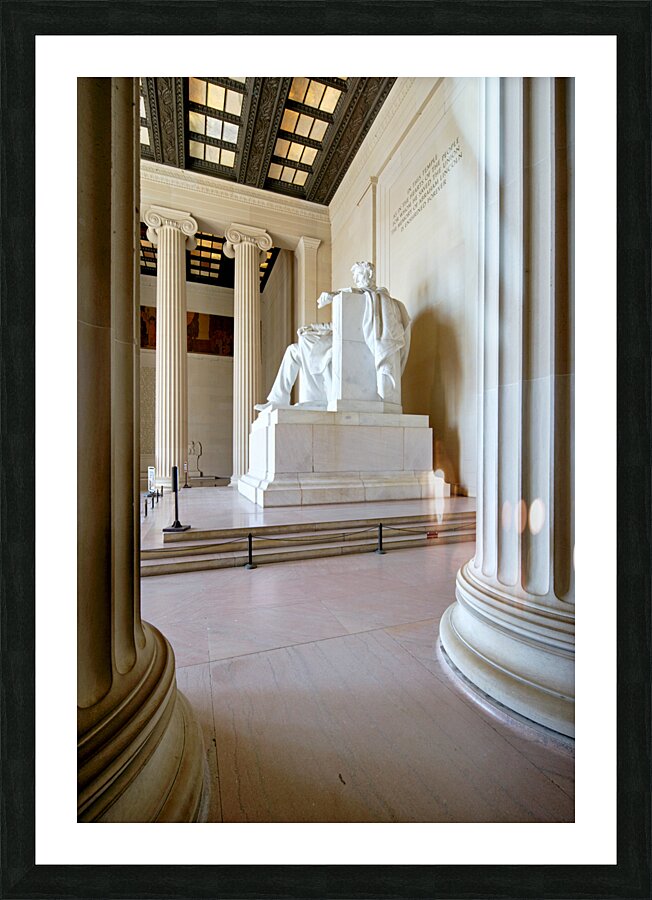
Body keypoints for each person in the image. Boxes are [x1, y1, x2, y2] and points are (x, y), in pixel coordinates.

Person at [256, 261, 410, 411]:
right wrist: (313, 328)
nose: (356, 279)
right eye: (355, 276)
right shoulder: (359, 299)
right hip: (338, 341)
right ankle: (277, 400)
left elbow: (360, 295)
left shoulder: (375, 298)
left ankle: (315, 400)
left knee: (310, 349)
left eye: (359, 275)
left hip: (350, 347)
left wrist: (334, 294)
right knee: (293, 350)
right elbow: (336, 325)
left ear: (370, 275)